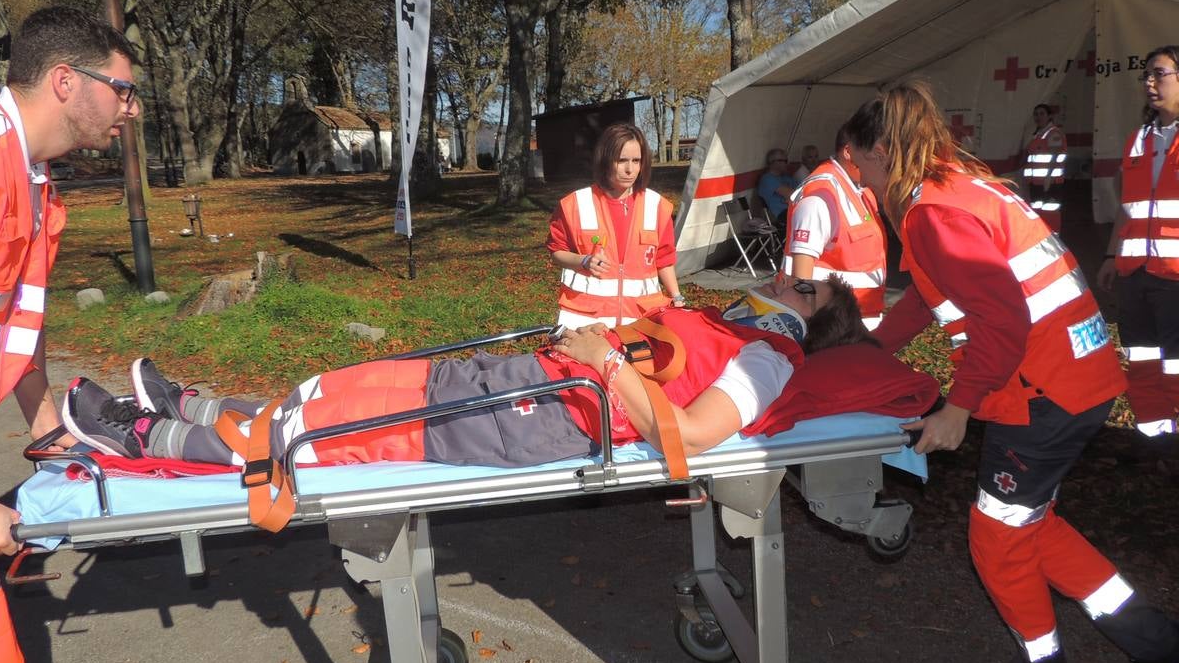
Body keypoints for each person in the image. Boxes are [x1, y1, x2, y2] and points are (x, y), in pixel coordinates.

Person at [850, 81, 1179, 663]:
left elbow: (1002, 316)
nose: (860, 179)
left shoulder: (930, 210)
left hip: (1039, 391)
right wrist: (868, 353)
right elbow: (929, 292)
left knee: (996, 540)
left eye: (860, 163)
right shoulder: (963, 185)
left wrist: (958, 407)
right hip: (1077, 379)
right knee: (1030, 526)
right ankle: (1157, 643)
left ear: (884, 151)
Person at [60, 278, 871, 473]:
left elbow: (689, 437)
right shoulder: (735, 329)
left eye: (805, 285)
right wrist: (594, 342)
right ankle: (200, 405)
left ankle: (145, 438)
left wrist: (600, 362)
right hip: (538, 379)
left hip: (555, 412)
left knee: (329, 438)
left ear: (807, 317)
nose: (787, 277)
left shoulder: (770, 359)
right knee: (347, 389)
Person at [0, 7, 138, 663]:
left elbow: (15, 324)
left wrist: (46, 426)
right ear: (66, 81)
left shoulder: (34, 180)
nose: (129, 110)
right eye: (122, 90)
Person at [1096, 45, 1179, 438]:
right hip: (1135, 275)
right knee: (1142, 360)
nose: (1149, 83)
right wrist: (1112, 254)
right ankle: (1154, 439)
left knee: (1176, 365)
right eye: (1145, 76)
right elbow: (1128, 208)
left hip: (1176, 278)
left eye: (1159, 74)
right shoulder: (1138, 139)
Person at [547, 123, 682, 329]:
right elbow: (557, 251)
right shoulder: (574, 204)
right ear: (605, 161)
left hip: (641, 320)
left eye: (636, 161)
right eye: (621, 161)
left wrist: (677, 297)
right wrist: (583, 261)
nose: (630, 169)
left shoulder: (657, 207)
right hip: (587, 322)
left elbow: (664, 259)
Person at [783, 122, 887, 330]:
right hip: (832, 326)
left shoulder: (861, 190)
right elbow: (801, 276)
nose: (883, 163)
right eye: (876, 155)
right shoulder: (820, 196)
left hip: (859, 319)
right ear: (850, 152)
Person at [1021, 103, 1067, 232]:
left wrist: (1048, 177)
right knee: (1037, 211)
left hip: (1050, 183)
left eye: (1042, 114)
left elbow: (1055, 154)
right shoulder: (1037, 135)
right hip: (1035, 183)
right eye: (1036, 114)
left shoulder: (1053, 133)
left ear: (1049, 116)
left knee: (1050, 212)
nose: (1038, 117)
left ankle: (1054, 238)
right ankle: (1043, 236)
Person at [752, 147, 798, 223]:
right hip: (780, 214)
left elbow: (801, 192)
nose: (787, 163)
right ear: (772, 162)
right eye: (784, 161)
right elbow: (793, 194)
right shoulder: (767, 179)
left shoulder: (787, 178)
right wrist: (792, 197)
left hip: (794, 209)